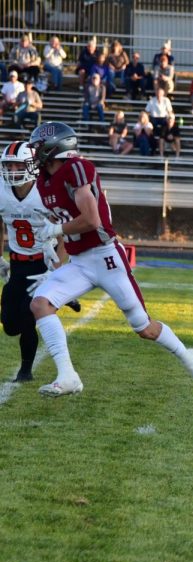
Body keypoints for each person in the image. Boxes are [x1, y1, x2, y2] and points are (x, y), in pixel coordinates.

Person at [26, 122, 193, 396]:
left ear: (56, 147)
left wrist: (56, 229)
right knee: (40, 304)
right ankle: (68, 376)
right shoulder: (43, 180)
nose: (34, 153)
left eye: (38, 147)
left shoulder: (76, 168)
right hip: (79, 262)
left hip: (106, 258)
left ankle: (191, 360)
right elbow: (65, 224)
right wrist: (53, 251)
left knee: (144, 328)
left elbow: (91, 220)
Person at [0, 142, 81, 383]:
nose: (13, 170)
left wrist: (55, 271)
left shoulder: (45, 193)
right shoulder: (2, 190)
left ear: (32, 166)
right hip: (17, 265)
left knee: (27, 317)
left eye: (18, 164)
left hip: (42, 263)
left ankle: (25, 371)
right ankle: (65, 296)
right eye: (9, 165)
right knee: (10, 326)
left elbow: (65, 235)